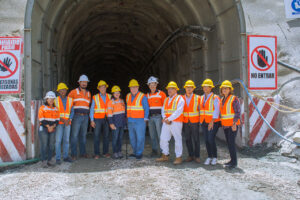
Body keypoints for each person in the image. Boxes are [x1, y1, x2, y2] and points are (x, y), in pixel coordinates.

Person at [156, 81, 185, 165]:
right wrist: (165, 118)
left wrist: (169, 119)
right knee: (163, 139)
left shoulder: (180, 98)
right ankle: (165, 155)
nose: (169, 90)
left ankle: (178, 157)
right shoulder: (166, 99)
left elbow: (179, 111)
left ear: (176, 90)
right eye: (168, 89)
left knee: (177, 140)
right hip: (166, 122)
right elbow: (163, 110)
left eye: (172, 89)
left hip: (176, 122)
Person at [68, 74, 91, 160]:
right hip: (76, 116)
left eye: (85, 82)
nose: (84, 84)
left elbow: (88, 105)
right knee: (74, 136)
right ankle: (73, 154)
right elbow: (68, 104)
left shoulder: (89, 93)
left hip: (85, 117)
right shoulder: (73, 92)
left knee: (83, 135)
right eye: (83, 82)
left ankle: (83, 153)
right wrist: (69, 116)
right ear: (79, 82)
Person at [126, 79, 149, 160]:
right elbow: (127, 108)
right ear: (130, 88)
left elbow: (146, 108)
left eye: (135, 87)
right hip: (130, 121)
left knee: (140, 138)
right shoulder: (128, 96)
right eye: (132, 87)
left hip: (140, 121)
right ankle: (135, 152)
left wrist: (145, 119)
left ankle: (139, 153)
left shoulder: (142, 96)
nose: (133, 89)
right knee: (132, 138)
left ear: (138, 87)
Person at [219, 80, 241, 169]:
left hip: (232, 125)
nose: (224, 90)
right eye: (223, 88)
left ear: (230, 89)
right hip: (225, 126)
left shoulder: (233, 98)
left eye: (226, 88)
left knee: (231, 143)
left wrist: (234, 123)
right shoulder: (222, 99)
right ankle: (231, 160)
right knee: (229, 143)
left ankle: (234, 162)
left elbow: (237, 112)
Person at [200, 79, 221, 166]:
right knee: (206, 140)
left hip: (213, 122)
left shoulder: (215, 97)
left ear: (211, 88)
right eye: (204, 86)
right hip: (204, 121)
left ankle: (215, 157)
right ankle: (209, 156)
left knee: (210, 139)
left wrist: (212, 121)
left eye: (207, 86)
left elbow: (216, 110)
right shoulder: (201, 97)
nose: (205, 88)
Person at [90, 80, 112, 159]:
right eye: (101, 87)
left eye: (104, 87)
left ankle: (105, 152)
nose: (103, 88)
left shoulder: (110, 96)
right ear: (98, 88)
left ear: (106, 88)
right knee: (96, 136)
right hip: (97, 119)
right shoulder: (95, 97)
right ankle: (96, 153)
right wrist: (92, 120)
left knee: (106, 136)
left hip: (106, 119)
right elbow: (92, 109)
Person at [38, 91, 60, 167]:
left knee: (51, 145)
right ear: (46, 99)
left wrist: (53, 126)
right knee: (44, 145)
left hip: (52, 129)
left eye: (52, 99)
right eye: (49, 99)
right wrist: (48, 127)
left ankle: (49, 160)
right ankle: (44, 161)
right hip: (44, 128)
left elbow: (57, 120)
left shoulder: (56, 108)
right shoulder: (42, 108)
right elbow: (41, 119)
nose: (51, 100)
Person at [146, 76, 166, 157]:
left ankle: (163, 151)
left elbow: (166, 106)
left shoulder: (161, 94)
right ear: (148, 86)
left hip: (159, 117)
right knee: (152, 135)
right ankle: (154, 150)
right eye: (150, 85)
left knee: (160, 135)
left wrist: (164, 117)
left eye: (154, 84)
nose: (152, 86)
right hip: (150, 118)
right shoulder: (146, 95)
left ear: (156, 85)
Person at [54, 83, 74, 164]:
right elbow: (54, 112)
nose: (63, 91)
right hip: (59, 123)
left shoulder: (70, 100)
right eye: (61, 90)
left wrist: (69, 119)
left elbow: (72, 111)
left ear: (66, 90)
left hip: (67, 123)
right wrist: (62, 120)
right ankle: (58, 158)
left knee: (66, 140)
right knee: (58, 141)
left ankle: (65, 157)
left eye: (64, 90)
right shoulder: (55, 100)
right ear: (58, 91)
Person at [182, 80, 201, 163]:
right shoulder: (181, 98)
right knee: (187, 139)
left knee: (196, 139)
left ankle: (197, 156)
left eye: (190, 87)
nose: (189, 89)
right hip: (185, 121)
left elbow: (202, 110)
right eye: (187, 87)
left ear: (193, 88)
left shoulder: (198, 98)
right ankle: (190, 155)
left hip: (195, 121)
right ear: (185, 88)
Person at [107, 86, 126, 159]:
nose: (117, 94)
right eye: (115, 93)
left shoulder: (122, 101)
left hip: (121, 123)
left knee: (120, 138)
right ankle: (115, 152)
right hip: (115, 123)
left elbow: (124, 113)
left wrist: (125, 122)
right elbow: (109, 114)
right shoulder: (110, 102)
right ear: (113, 94)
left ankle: (119, 151)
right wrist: (111, 123)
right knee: (115, 138)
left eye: (118, 93)